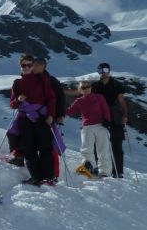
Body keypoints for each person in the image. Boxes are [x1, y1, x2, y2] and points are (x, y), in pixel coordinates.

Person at [10, 54, 56, 185]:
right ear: (20, 66)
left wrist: (51, 115)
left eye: (29, 65)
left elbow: (51, 98)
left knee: (45, 147)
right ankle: (37, 178)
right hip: (25, 119)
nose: (26, 67)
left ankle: (48, 178)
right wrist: (18, 100)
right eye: (23, 65)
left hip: (41, 117)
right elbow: (12, 104)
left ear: (33, 66)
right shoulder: (17, 83)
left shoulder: (42, 80)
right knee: (29, 149)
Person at [66, 80, 112, 177]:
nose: (86, 89)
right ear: (80, 90)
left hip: (101, 126)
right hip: (87, 127)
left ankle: (104, 172)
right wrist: (58, 111)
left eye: (88, 86)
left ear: (91, 87)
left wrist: (107, 120)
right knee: (86, 148)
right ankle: (89, 167)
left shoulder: (99, 97)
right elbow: (69, 111)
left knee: (103, 149)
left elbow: (105, 109)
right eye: (83, 87)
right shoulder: (79, 101)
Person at [31, 56, 66, 180]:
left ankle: (53, 174)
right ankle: (41, 173)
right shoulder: (32, 80)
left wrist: (60, 115)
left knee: (50, 146)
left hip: (49, 117)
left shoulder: (52, 81)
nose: (32, 67)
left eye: (35, 65)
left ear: (42, 66)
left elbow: (60, 98)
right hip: (35, 116)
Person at [92, 62, 129, 177]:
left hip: (115, 116)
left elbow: (121, 101)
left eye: (105, 70)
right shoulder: (95, 86)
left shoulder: (117, 85)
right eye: (101, 70)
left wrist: (125, 115)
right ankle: (99, 168)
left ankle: (118, 171)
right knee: (98, 143)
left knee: (117, 143)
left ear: (109, 71)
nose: (103, 73)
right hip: (99, 117)